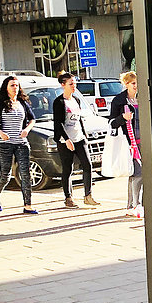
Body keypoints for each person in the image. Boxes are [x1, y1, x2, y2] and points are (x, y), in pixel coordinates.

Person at [0, 75, 37, 214]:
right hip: (5, 144)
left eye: (17, 85)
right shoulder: (0, 102)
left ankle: (28, 205)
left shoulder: (22, 102)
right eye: (12, 85)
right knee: (5, 176)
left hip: (21, 143)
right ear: (6, 87)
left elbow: (32, 119)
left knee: (25, 174)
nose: (15, 88)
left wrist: (26, 130)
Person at [53, 72, 99, 208]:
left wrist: (85, 136)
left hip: (79, 138)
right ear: (63, 85)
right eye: (71, 84)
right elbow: (58, 123)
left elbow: (79, 120)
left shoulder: (76, 100)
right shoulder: (59, 102)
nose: (74, 86)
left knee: (87, 165)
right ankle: (68, 198)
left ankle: (88, 195)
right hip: (65, 140)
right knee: (68, 169)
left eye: (75, 83)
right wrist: (67, 140)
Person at [109, 71, 143, 218]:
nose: (136, 86)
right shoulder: (119, 100)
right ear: (126, 84)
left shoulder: (144, 97)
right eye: (133, 83)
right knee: (137, 174)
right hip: (130, 142)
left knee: (139, 174)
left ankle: (132, 205)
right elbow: (111, 123)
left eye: (137, 83)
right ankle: (136, 204)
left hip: (145, 140)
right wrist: (123, 118)